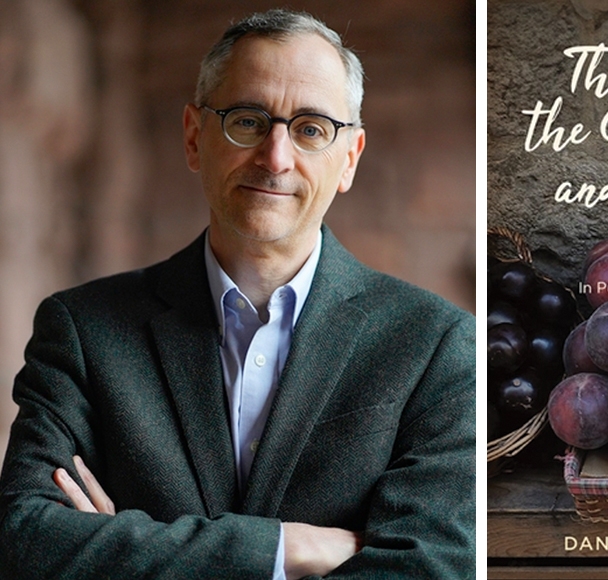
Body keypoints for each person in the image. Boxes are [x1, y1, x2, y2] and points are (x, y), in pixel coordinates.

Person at [0, 8, 475, 580]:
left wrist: (119, 549)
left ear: (348, 159)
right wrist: (287, 550)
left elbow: (428, 569)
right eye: (248, 121)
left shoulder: (437, 346)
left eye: (310, 129)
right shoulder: (82, 330)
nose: (275, 158)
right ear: (195, 137)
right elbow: (24, 541)